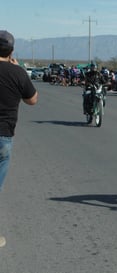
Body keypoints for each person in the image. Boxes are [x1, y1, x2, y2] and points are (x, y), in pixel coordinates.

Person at [0, 30, 38, 247]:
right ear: (11, 51)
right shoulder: (17, 73)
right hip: (3, 135)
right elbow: (32, 100)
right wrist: (18, 69)